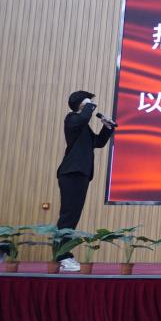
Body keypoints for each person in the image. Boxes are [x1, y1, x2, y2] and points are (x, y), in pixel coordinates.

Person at [56, 90, 115, 272]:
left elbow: (97, 143)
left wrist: (107, 128)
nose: (91, 103)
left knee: (73, 215)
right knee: (68, 215)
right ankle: (62, 257)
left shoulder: (82, 126)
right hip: (71, 172)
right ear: (80, 103)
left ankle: (63, 254)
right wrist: (89, 106)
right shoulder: (72, 119)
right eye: (87, 101)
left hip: (81, 173)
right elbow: (83, 118)